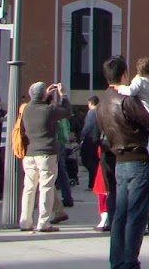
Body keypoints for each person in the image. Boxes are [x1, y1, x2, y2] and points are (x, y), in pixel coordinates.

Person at [97, 56, 149, 269]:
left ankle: (118, 261)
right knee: (136, 216)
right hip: (138, 159)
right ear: (124, 74)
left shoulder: (102, 101)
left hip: (119, 162)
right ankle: (129, 262)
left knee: (120, 215)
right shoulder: (127, 100)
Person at [18, 81, 72, 233]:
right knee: (46, 187)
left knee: (29, 187)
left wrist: (44, 94)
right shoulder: (49, 110)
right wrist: (63, 94)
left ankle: (25, 221)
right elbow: (67, 111)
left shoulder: (26, 109)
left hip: (29, 154)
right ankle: (43, 222)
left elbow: (35, 100)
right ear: (43, 95)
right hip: (46, 153)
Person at [81, 95, 101, 190]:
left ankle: (91, 183)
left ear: (90, 103)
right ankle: (94, 182)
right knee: (96, 161)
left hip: (90, 139)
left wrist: (82, 134)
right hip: (98, 139)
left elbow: (88, 125)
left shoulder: (91, 112)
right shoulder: (101, 112)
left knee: (87, 160)